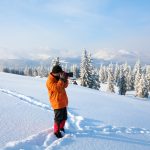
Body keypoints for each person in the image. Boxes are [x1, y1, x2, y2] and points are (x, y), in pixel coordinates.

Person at [46, 65, 69, 138]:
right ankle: (56, 131)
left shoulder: (59, 77)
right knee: (58, 119)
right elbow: (57, 88)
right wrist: (61, 79)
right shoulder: (49, 81)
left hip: (63, 101)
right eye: (59, 73)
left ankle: (61, 128)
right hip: (57, 102)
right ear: (55, 73)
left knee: (64, 117)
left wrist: (65, 79)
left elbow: (65, 86)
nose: (60, 74)